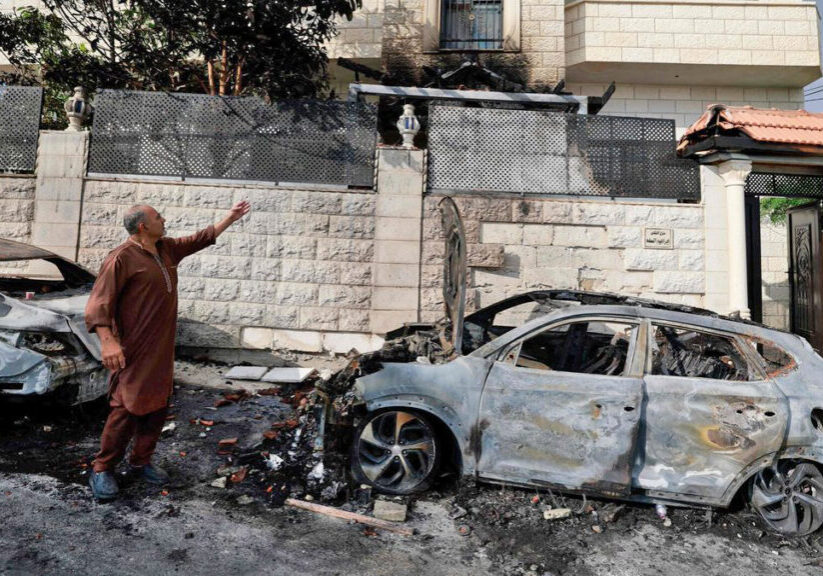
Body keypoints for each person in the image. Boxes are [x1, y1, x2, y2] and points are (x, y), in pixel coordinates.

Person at [85, 201, 251, 501]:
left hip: (161, 348)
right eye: (158, 217)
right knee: (126, 407)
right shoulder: (120, 258)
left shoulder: (165, 250)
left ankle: (140, 461)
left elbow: (200, 239)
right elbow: (99, 303)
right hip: (132, 348)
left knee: (158, 405)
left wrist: (231, 217)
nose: (164, 220)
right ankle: (102, 468)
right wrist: (108, 341)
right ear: (142, 227)